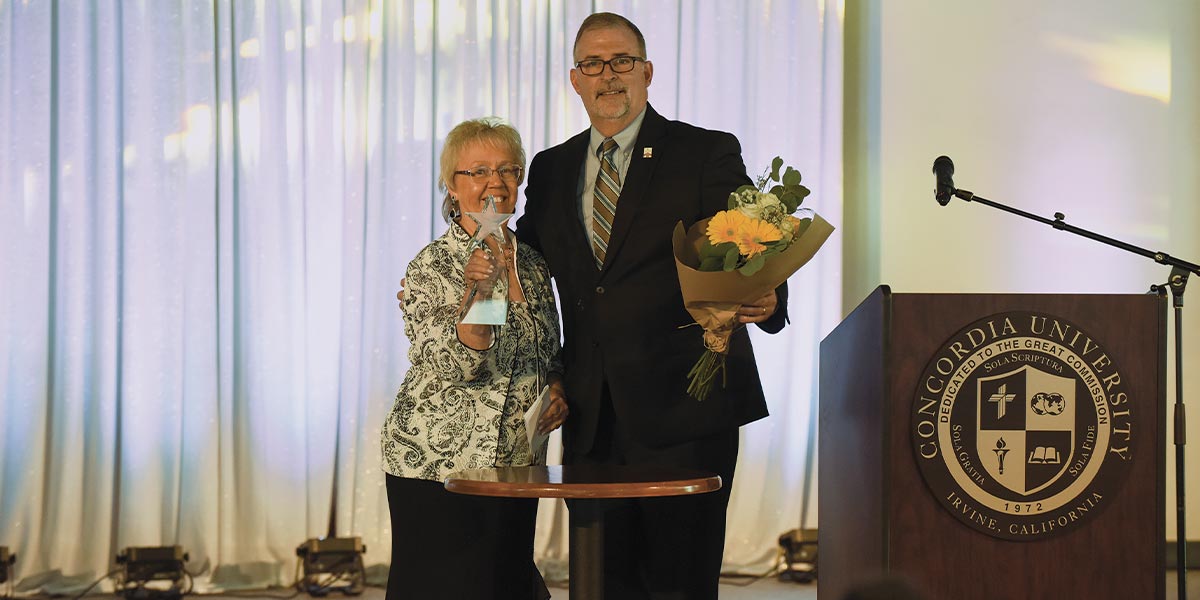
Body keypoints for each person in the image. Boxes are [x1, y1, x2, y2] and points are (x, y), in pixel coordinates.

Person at [514, 12, 788, 600]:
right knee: (601, 582)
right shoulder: (550, 168)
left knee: (679, 583)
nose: (608, 75)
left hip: (687, 410)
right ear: (574, 79)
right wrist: (460, 264)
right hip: (591, 415)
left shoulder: (704, 152)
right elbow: (527, 275)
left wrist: (766, 296)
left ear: (648, 72)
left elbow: (748, 243)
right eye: (593, 63)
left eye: (622, 62)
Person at [381, 117, 569, 600]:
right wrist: (478, 288)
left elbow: (547, 348)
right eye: (478, 171)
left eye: (508, 170)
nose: (495, 183)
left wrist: (559, 388)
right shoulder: (433, 264)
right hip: (439, 465)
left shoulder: (531, 262)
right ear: (452, 184)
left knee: (504, 583)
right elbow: (463, 361)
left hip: (515, 461)